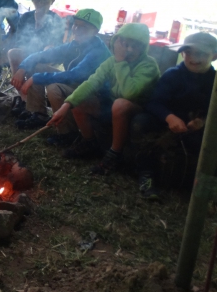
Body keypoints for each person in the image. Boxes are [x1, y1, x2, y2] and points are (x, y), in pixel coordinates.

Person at [48, 23, 160, 175]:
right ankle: (89, 143)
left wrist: (120, 62)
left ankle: (115, 154)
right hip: (113, 104)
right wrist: (66, 105)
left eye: (134, 45)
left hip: (139, 109)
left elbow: (129, 93)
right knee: (80, 99)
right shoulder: (111, 62)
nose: (128, 49)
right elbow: (92, 82)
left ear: (143, 47)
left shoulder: (148, 65)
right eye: (124, 43)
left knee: (120, 104)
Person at [135, 32, 217, 200]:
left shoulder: (214, 81)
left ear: (214, 56)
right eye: (188, 52)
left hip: (198, 130)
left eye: (201, 53)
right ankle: (146, 174)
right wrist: (169, 117)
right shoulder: (173, 75)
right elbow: (154, 102)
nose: (193, 58)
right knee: (141, 122)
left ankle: (204, 184)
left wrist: (203, 122)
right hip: (167, 125)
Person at [10, 9, 110, 137]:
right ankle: (38, 114)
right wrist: (22, 68)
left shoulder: (98, 51)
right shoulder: (74, 45)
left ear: (95, 31)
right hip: (79, 85)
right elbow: (41, 55)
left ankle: (67, 132)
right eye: (76, 25)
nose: (77, 29)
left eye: (84, 27)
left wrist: (36, 78)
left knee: (54, 88)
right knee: (37, 66)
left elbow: (75, 75)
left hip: (97, 97)